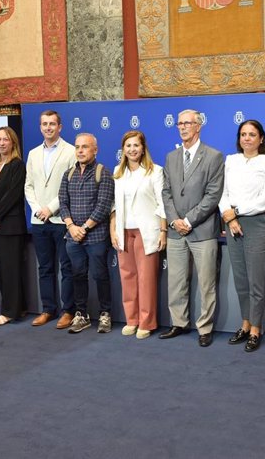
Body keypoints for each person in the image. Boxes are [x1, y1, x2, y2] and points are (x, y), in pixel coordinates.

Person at [160, 109, 224, 347]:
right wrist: (175, 220)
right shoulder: (171, 157)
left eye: (187, 123)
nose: (183, 127)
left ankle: (205, 328)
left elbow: (213, 195)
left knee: (206, 283)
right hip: (176, 231)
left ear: (199, 126)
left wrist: (188, 221)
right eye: (179, 123)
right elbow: (166, 192)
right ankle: (179, 322)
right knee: (176, 281)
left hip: (203, 230)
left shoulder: (214, 156)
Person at [219, 120, 265, 352]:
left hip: (256, 223)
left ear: (261, 139)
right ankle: (244, 324)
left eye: (252, 134)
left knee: (256, 280)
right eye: (243, 134)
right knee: (241, 279)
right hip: (232, 223)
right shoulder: (231, 160)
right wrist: (230, 218)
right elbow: (222, 193)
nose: (247, 138)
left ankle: (256, 328)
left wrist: (236, 212)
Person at [110, 131, 167, 340]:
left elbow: (162, 204)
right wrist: (113, 229)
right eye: (128, 146)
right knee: (127, 278)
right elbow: (114, 205)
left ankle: (146, 322)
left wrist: (163, 231)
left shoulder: (155, 171)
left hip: (147, 232)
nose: (132, 149)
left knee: (146, 279)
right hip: (124, 232)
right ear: (123, 150)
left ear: (143, 148)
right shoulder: (118, 172)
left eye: (136, 145)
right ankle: (131, 319)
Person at [24, 110, 76, 328]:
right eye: (44, 124)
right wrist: (38, 209)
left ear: (60, 127)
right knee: (44, 268)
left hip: (62, 220)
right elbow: (29, 186)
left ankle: (68, 311)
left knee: (66, 268)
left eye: (52, 124)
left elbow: (70, 186)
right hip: (39, 222)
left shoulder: (71, 152)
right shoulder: (33, 154)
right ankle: (48, 309)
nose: (48, 128)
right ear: (40, 127)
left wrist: (50, 208)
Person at [59, 133, 114, 335]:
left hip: (96, 236)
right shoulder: (68, 174)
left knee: (100, 276)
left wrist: (85, 228)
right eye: (77, 147)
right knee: (78, 275)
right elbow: (62, 202)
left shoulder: (103, 173)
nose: (80, 151)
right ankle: (81, 314)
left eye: (85, 147)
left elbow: (103, 206)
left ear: (95, 150)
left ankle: (105, 314)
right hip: (73, 237)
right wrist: (71, 226)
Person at [0, 126, 27, 327]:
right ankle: (18, 306)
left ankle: (9, 312)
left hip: (10, 225)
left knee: (10, 270)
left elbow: (13, 196)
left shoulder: (17, 165)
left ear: (13, 143)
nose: (1, 143)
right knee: (1, 270)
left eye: (5, 139)